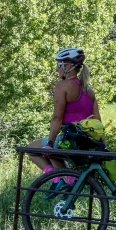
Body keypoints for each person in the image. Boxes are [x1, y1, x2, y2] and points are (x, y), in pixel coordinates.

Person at [27, 47, 101, 196]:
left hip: (71, 140)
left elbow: (57, 118)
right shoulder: (89, 89)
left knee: (31, 149)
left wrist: (49, 143)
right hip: (87, 143)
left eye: (59, 65)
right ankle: (64, 179)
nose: (57, 69)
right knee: (56, 149)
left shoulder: (62, 86)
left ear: (68, 66)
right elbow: (98, 121)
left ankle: (60, 179)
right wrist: (102, 145)